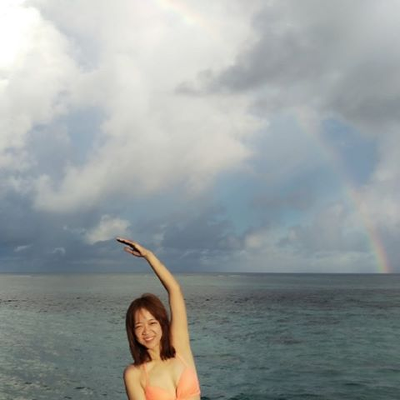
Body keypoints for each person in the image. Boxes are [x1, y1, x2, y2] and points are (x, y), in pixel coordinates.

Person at [116, 237, 201, 400]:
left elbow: (174, 289)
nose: (146, 331)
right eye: (138, 326)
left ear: (162, 324)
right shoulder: (134, 374)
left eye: (152, 323)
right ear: (132, 332)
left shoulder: (180, 349)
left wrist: (148, 255)